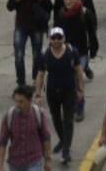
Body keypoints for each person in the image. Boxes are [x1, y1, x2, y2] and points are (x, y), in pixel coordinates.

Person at [34, 26, 85, 166]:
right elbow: (40, 74)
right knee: (56, 120)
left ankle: (66, 150)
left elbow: (78, 71)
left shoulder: (71, 52)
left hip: (69, 91)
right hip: (52, 92)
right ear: (49, 40)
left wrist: (80, 90)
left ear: (64, 38)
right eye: (53, 38)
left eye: (59, 37)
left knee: (68, 120)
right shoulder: (45, 55)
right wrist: (38, 94)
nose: (56, 41)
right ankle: (63, 140)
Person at [7, 0, 51, 88]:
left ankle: (35, 80)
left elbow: (49, 7)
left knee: (37, 55)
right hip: (21, 26)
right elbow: (9, 7)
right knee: (18, 55)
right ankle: (21, 82)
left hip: (37, 27)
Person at [0, 84, 54, 171]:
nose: (17, 104)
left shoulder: (38, 114)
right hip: (15, 163)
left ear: (29, 100)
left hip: (34, 160)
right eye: (16, 101)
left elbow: (46, 138)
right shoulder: (9, 116)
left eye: (21, 102)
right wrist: (1, 165)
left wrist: (48, 160)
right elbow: (2, 141)